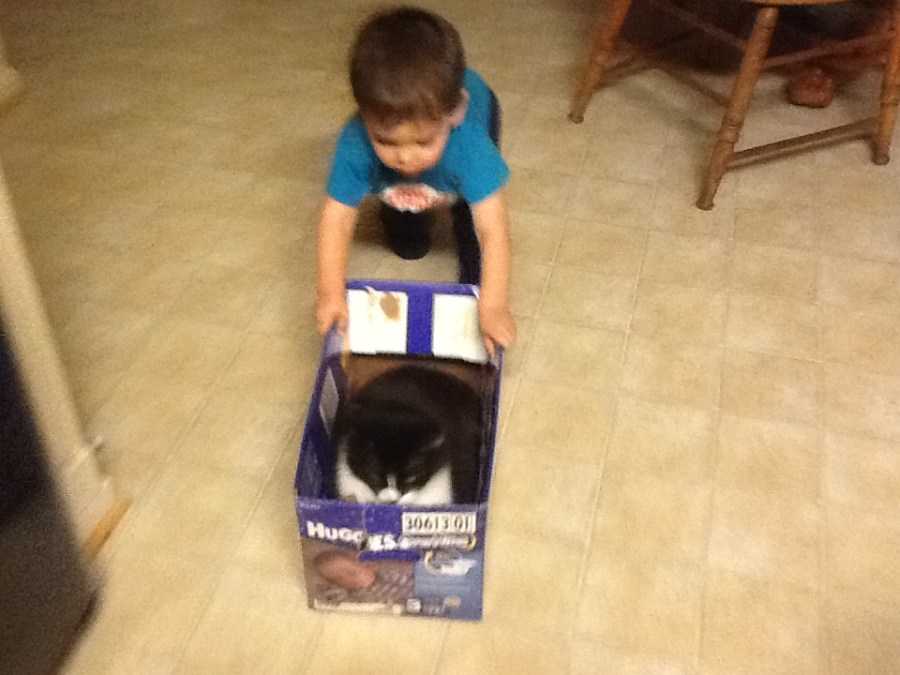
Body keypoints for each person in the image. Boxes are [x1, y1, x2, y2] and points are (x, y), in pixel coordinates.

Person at [314, 6, 516, 354]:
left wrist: (493, 304)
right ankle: (406, 216)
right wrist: (330, 292)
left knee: (470, 232)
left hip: (471, 135)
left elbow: (493, 231)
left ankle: (465, 242)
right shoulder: (355, 141)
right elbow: (337, 218)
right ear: (363, 116)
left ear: (453, 116)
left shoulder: (470, 146)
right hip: (402, 186)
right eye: (385, 141)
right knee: (407, 241)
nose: (405, 158)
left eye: (423, 142)